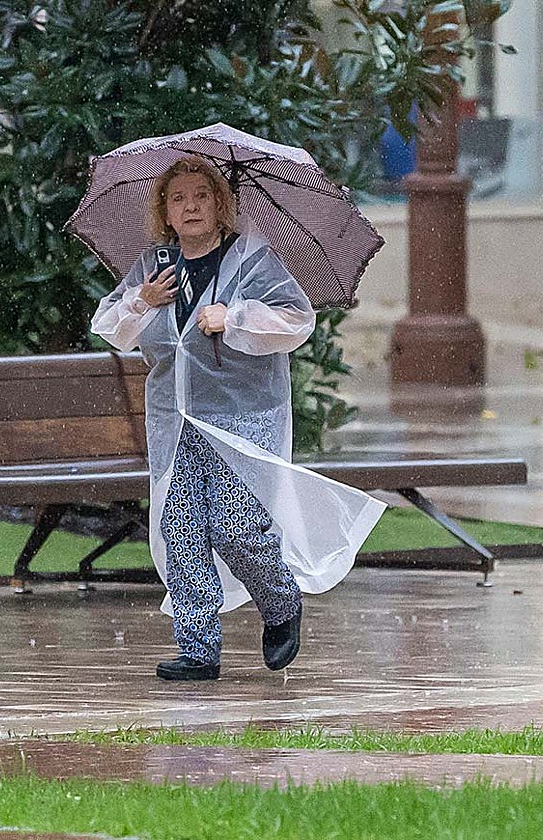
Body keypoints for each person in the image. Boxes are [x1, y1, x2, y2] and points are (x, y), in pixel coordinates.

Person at [90, 156, 385, 681]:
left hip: (241, 416)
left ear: (220, 203)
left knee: (236, 528)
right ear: (165, 210)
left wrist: (236, 316)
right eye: (178, 199)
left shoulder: (252, 259)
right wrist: (143, 299)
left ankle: (279, 601)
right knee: (180, 532)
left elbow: (296, 321)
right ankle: (198, 649)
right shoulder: (153, 265)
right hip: (174, 419)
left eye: (201, 195)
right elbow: (111, 325)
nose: (190, 207)